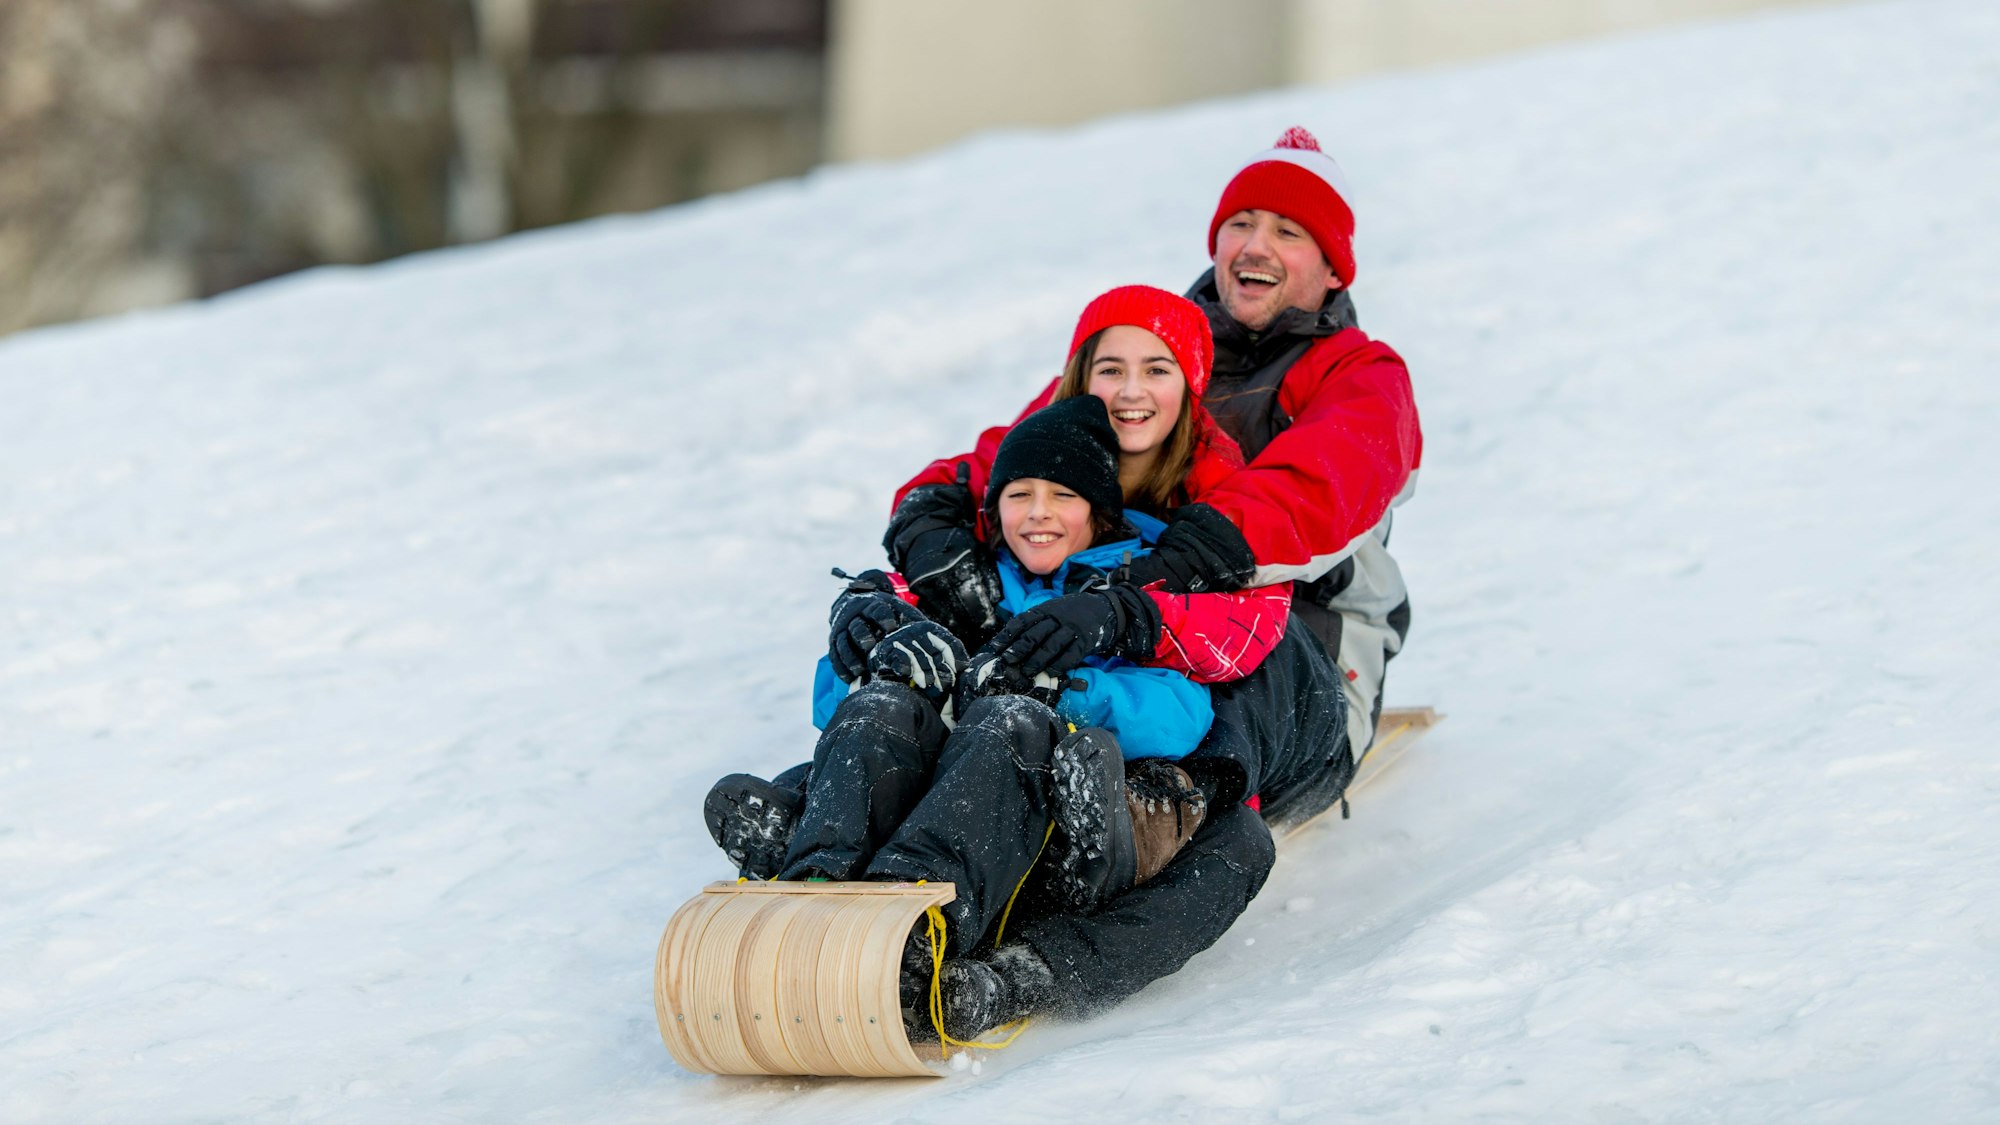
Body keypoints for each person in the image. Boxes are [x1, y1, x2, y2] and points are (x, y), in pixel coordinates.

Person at [707, 287, 1311, 1039]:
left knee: (1029, 735)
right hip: (971, 786)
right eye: (1018, 495)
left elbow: (1198, 686)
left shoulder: (1183, 535)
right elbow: (893, 610)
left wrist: (1088, 664)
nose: (1040, 512)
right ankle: (812, 867)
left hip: (1103, 776)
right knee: (891, 717)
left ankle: (941, 934)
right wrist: (867, 630)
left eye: (1154, 369)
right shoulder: (988, 567)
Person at [888, 124, 1421, 797]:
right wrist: (935, 512)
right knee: (987, 592)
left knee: (1253, 648)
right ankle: (895, 767)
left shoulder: (1362, 373)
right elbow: (1031, 449)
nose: (1256, 245)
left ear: (1334, 266)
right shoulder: (1151, 350)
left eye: (1288, 231)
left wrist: (1175, 563)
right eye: (1241, 224)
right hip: (1134, 628)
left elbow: (1319, 485)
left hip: (1305, 663)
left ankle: (1171, 823)